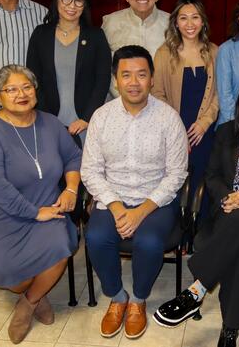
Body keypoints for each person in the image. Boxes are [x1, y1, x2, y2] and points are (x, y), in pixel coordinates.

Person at [154, 79, 239, 347]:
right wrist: (227, 198)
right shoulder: (225, 132)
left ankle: (196, 290)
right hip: (228, 209)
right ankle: (230, 329)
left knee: (238, 220)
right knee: (235, 248)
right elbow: (213, 175)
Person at [0, 65, 81, 344]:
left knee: (61, 243)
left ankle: (29, 303)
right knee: (9, 276)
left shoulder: (50, 124)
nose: (21, 94)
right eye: (11, 89)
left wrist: (71, 188)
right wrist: (32, 212)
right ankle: (35, 293)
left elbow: (74, 157)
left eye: (26, 87)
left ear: (35, 91)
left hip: (44, 206)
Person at [81, 45, 188, 340]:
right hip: (112, 198)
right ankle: (117, 297)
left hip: (155, 200)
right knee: (96, 237)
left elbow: (177, 173)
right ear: (115, 79)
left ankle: (138, 300)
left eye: (141, 75)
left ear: (151, 79)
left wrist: (141, 212)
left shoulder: (168, 118)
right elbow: (90, 171)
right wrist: (117, 208)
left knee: (150, 241)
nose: (134, 82)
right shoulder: (101, 118)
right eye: (126, 75)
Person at [152, 0, 219, 218]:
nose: (189, 24)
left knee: (203, 179)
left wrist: (204, 123)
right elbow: (157, 94)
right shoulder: (164, 53)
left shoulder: (214, 52)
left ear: (203, 21)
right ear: (175, 22)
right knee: (176, 179)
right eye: (183, 18)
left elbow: (219, 94)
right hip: (173, 130)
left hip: (205, 132)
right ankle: (177, 232)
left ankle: (200, 232)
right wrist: (177, 128)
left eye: (195, 17)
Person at [26, 0, 111, 147]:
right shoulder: (40, 34)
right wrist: (47, 119)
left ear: (84, 5)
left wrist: (86, 118)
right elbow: (33, 79)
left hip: (85, 121)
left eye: (78, 0)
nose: (72, 6)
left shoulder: (96, 36)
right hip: (49, 120)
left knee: (84, 170)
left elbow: (102, 80)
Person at [102, 0, 169, 98]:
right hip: (119, 105)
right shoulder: (110, 23)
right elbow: (103, 70)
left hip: (162, 106)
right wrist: (128, 100)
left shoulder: (172, 24)